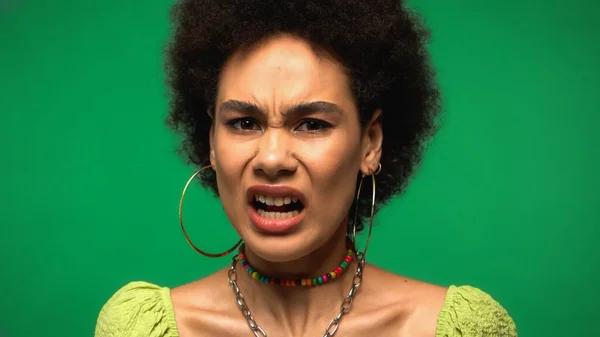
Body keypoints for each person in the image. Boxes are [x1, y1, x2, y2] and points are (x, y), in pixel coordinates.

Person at [94, 0, 517, 336]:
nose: (272, 159)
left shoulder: (456, 330)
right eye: (244, 123)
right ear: (211, 140)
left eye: (312, 124)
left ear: (370, 143)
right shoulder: (142, 330)